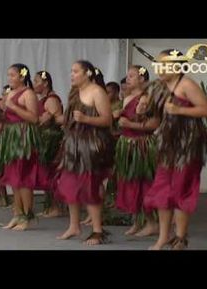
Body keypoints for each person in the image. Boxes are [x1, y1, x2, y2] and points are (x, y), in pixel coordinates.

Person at [143, 49, 207, 250]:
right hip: (167, 145)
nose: (160, 68)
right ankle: (163, 237)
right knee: (163, 190)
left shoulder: (187, 84)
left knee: (181, 189)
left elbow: (205, 109)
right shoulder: (158, 87)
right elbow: (156, 118)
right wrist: (142, 113)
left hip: (187, 145)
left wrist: (180, 109)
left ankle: (180, 238)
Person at [55, 60, 114, 245]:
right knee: (69, 185)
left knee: (90, 187)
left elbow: (107, 120)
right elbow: (69, 120)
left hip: (91, 146)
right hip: (73, 146)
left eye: (75, 71)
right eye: (71, 71)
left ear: (87, 73)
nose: (72, 74)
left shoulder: (97, 92)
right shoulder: (74, 92)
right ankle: (74, 225)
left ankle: (97, 230)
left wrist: (86, 118)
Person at [0, 63, 45, 231]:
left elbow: (34, 119)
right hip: (11, 138)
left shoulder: (28, 93)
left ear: (22, 76)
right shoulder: (11, 93)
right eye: (8, 75)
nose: (9, 78)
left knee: (23, 179)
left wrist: (14, 107)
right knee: (14, 179)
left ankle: (26, 216)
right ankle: (17, 214)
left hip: (24, 137)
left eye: (12, 75)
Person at [115, 65, 159, 237]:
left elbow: (154, 124)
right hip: (127, 145)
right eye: (127, 76)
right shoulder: (127, 97)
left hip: (141, 145)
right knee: (131, 183)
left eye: (132, 76)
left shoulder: (147, 98)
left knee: (144, 184)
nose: (128, 79)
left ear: (141, 79)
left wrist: (130, 124)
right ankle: (137, 221)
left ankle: (151, 222)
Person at [33, 70, 64, 217]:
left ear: (45, 83)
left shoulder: (51, 99)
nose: (34, 84)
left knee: (52, 173)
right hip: (43, 138)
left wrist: (48, 117)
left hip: (51, 140)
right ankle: (50, 206)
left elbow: (59, 119)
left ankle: (56, 207)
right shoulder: (42, 99)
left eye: (37, 81)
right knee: (46, 173)